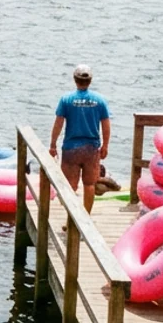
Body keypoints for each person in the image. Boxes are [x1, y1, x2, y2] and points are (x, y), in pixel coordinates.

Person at [48, 64, 113, 212]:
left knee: (70, 186)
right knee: (89, 185)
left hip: (72, 148)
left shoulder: (66, 99)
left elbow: (58, 124)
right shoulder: (100, 100)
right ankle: (86, 218)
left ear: (74, 80)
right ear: (90, 81)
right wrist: (105, 145)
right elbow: (106, 125)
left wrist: (53, 145)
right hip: (91, 148)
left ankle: (71, 219)